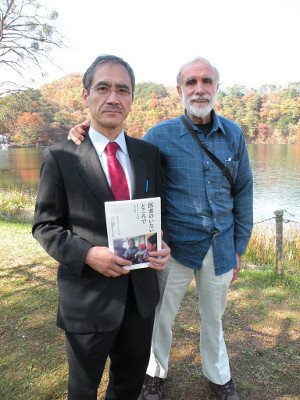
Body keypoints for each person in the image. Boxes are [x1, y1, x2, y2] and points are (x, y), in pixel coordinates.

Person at [68, 56, 253, 400]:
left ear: (216, 87)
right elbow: (120, 148)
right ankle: (154, 375)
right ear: (180, 89)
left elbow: (243, 191)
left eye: (206, 81)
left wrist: (239, 247)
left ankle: (219, 376)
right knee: (159, 319)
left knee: (214, 319)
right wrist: (83, 129)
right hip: (173, 249)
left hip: (221, 247)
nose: (199, 89)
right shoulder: (160, 135)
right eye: (191, 83)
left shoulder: (234, 135)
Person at [32, 54, 170, 400]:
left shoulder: (149, 154)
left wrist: (162, 243)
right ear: (85, 96)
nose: (113, 97)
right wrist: (88, 253)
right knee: (83, 389)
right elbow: (45, 226)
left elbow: (157, 213)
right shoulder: (60, 156)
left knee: (127, 385)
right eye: (103, 88)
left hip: (140, 298)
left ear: (132, 99)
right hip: (88, 300)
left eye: (123, 90)